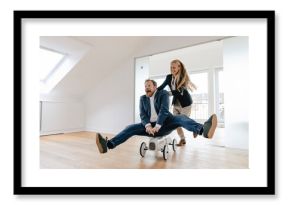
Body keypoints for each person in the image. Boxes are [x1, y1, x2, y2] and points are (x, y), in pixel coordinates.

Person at [96, 79, 217, 154]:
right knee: (130, 128)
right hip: (149, 127)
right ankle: (108, 145)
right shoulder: (142, 98)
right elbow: (142, 114)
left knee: (181, 118)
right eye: (145, 86)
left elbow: (164, 110)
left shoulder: (163, 94)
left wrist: (158, 126)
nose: (146, 88)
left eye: (149, 85)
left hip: (166, 123)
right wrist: (148, 126)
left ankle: (203, 130)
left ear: (155, 87)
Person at [158, 59, 197, 146]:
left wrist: (167, 93)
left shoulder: (183, 77)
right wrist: (154, 91)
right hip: (176, 104)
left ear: (179, 68)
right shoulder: (169, 77)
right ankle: (182, 139)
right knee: (176, 123)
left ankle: (195, 128)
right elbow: (162, 86)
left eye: (174, 68)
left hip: (185, 104)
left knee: (183, 121)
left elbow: (179, 91)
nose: (172, 69)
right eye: (171, 67)